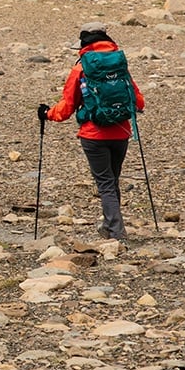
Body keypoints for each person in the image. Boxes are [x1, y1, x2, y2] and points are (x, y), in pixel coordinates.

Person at [41, 22, 144, 241]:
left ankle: (117, 231)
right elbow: (139, 101)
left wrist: (47, 114)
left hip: (93, 135)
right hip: (121, 132)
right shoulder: (119, 65)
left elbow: (67, 107)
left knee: (105, 184)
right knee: (112, 181)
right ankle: (109, 226)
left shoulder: (81, 68)